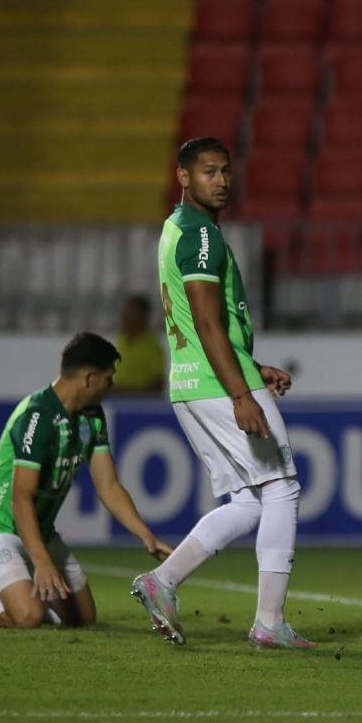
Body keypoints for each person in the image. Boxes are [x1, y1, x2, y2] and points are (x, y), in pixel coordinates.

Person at [130, 136, 313, 650]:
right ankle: (269, 622)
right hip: (217, 386)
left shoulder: (173, 231)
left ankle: (162, 581)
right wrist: (242, 392)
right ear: (183, 177)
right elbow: (208, 321)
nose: (222, 180)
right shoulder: (202, 235)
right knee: (282, 488)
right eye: (209, 171)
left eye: (226, 171)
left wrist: (251, 366)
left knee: (250, 501)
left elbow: (199, 324)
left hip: (188, 384)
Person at [0, 333, 172, 629]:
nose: (112, 385)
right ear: (90, 378)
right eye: (109, 377)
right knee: (29, 616)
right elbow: (21, 497)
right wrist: (41, 561)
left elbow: (108, 486)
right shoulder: (37, 416)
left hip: (40, 529)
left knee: (82, 618)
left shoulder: (93, 416)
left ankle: (20, 596)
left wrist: (145, 535)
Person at [111, 294, 166, 394]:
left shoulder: (153, 347)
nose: (125, 317)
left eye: (131, 313)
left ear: (144, 317)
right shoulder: (120, 341)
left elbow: (158, 386)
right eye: (125, 313)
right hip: (117, 403)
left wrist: (125, 391)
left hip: (141, 406)